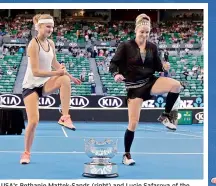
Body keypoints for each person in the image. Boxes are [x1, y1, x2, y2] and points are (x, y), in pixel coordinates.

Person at [109, 14, 182, 166]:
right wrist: (116, 74)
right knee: (133, 124)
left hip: (150, 81)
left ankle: (166, 116)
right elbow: (113, 64)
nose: (144, 34)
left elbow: (156, 67)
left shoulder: (152, 47)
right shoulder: (125, 46)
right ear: (136, 30)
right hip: (134, 87)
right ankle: (126, 155)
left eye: (147, 32)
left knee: (176, 85)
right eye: (142, 31)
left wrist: (163, 67)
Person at [20, 14, 81, 164]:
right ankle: (26, 153)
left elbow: (54, 63)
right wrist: (56, 73)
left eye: (52, 27)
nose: (51, 29)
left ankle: (65, 117)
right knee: (33, 121)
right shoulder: (33, 44)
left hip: (45, 83)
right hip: (31, 87)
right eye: (48, 26)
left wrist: (70, 76)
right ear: (39, 27)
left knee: (64, 80)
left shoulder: (51, 43)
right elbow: (35, 72)